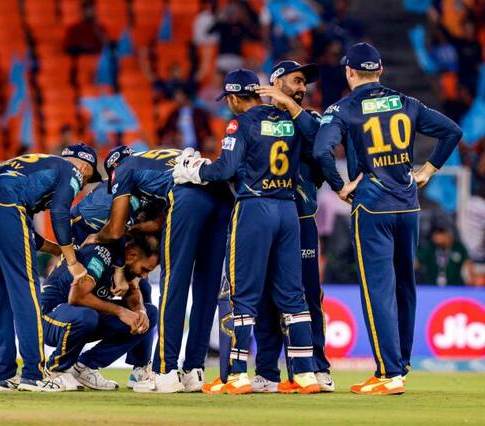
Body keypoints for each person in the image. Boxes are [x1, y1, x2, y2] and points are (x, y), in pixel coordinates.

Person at [313, 42, 462, 394]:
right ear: (380, 70)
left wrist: (339, 186)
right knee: (404, 285)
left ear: (349, 72)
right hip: (408, 206)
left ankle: (387, 372)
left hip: (372, 206)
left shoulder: (343, 108)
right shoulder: (407, 103)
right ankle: (401, 365)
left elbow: (321, 150)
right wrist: (428, 170)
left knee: (378, 289)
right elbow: (452, 131)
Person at [174, 69, 319, 395]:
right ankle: (306, 374)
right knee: (292, 295)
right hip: (289, 210)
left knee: (243, 294)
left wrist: (194, 170)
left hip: (254, 208)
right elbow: (318, 137)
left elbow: (224, 169)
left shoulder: (240, 123)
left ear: (235, 98)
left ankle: (238, 374)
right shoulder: (291, 119)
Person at [89, 147, 232, 393]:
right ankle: (194, 370)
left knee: (174, 282)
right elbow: (156, 221)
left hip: (188, 195)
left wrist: (96, 237)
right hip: (222, 197)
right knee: (207, 287)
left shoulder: (124, 169)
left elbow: (115, 229)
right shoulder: (158, 157)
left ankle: (165, 370)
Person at [0, 144, 102, 392]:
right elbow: (59, 213)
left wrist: (57, 250)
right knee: (26, 293)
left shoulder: (40, 164)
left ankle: (4, 374)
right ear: (84, 167)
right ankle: (34, 374)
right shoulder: (71, 171)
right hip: (5, 207)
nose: (82, 185)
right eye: (86, 179)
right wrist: (72, 261)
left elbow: (22, 229)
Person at [250, 60, 334, 393]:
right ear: (276, 82)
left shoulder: (310, 118)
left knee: (309, 295)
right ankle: (267, 372)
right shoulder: (257, 120)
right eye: (296, 81)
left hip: (301, 220)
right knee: (264, 299)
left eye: (304, 83)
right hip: (263, 218)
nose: (302, 88)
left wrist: (289, 105)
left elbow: (320, 142)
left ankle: (317, 368)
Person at [70, 146, 165, 388]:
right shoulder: (114, 196)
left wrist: (131, 273)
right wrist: (120, 271)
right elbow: (116, 232)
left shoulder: (141, 193)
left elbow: (136, 230)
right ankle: (68, 365)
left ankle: (139, 367)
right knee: (91, 301)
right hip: (88, 254)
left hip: (107, 251)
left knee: (144, 298)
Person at [40, 233, 159, 391]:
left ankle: (85, 366)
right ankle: (55, 369)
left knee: (148, 314)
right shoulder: (99, 255)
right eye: (144, 269)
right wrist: (121, 312)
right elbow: (77, 297)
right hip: (49, 318)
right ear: (132, 255)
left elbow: (133, 290)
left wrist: (140, 310)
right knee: (86, 316)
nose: (144, 275)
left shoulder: (124, 265)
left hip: (83, 317)